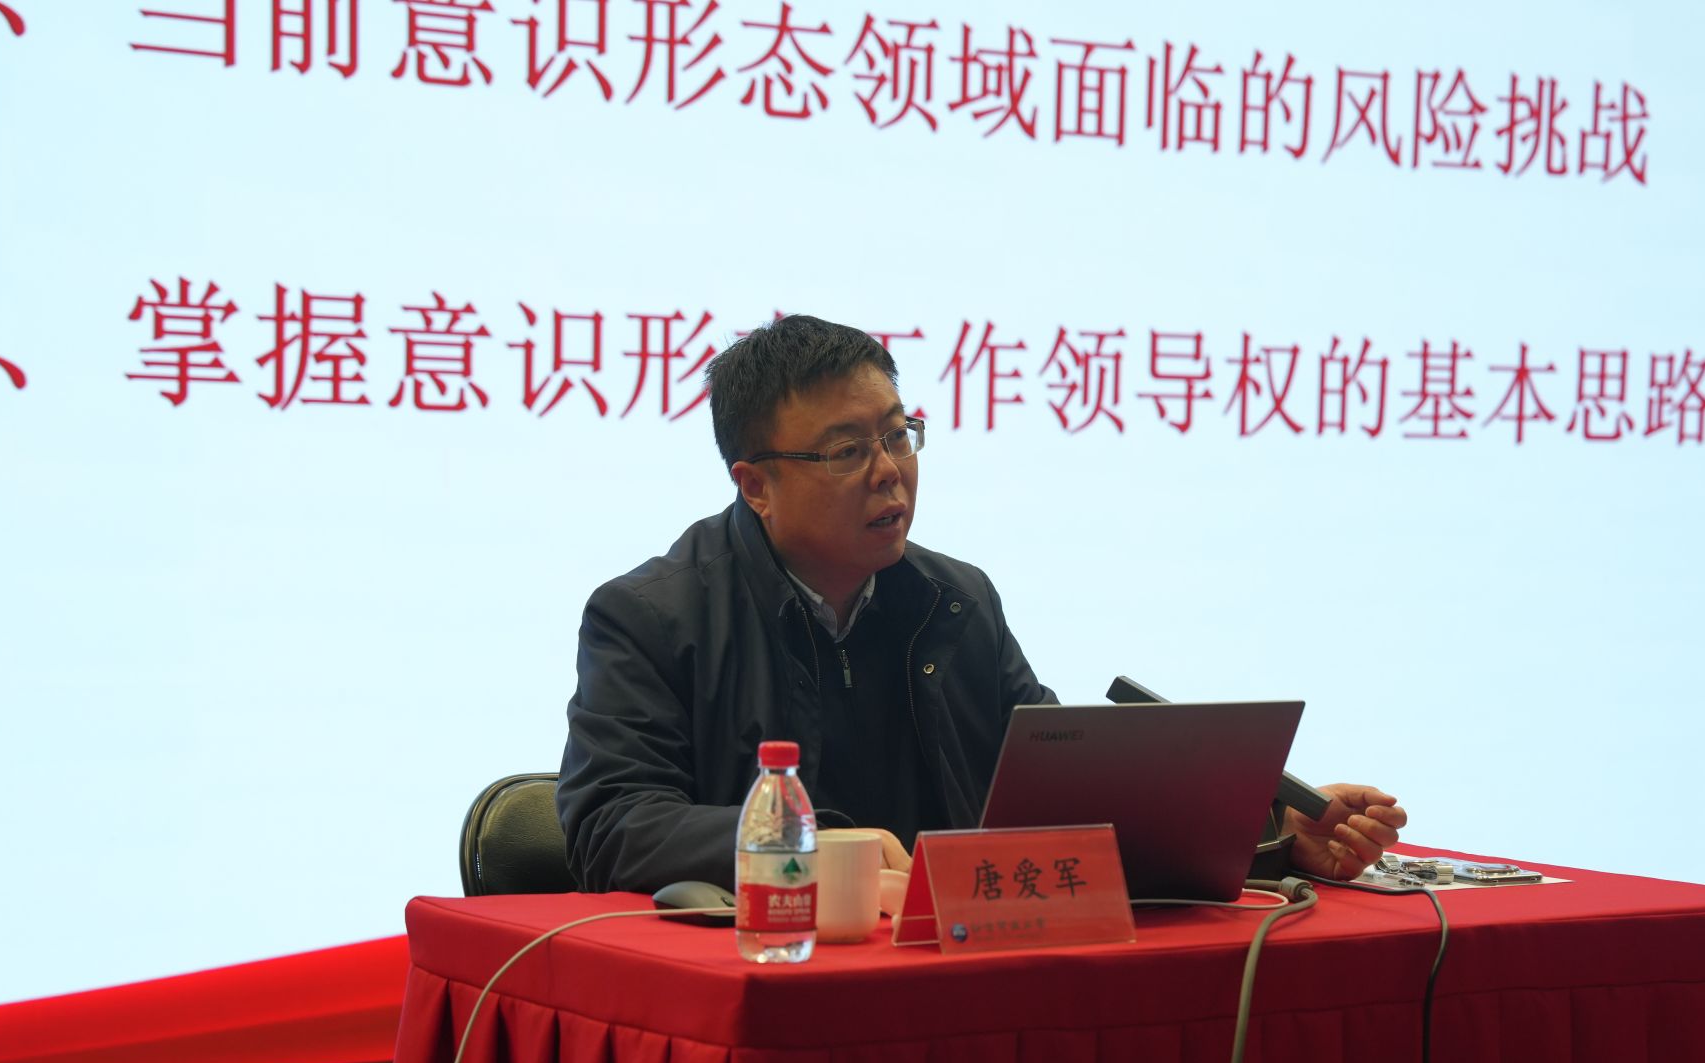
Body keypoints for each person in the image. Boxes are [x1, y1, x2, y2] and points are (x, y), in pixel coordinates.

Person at [557, 314, 1406, 893]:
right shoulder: (653, 617)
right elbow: (610, 825)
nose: (889, 471)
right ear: (756, 485)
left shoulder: (954, 601)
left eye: (898, 434)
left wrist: (1269, 830)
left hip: (954, 966)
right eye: (847, 450)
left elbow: (1061, 797)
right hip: (785, 971)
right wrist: (806, 846)